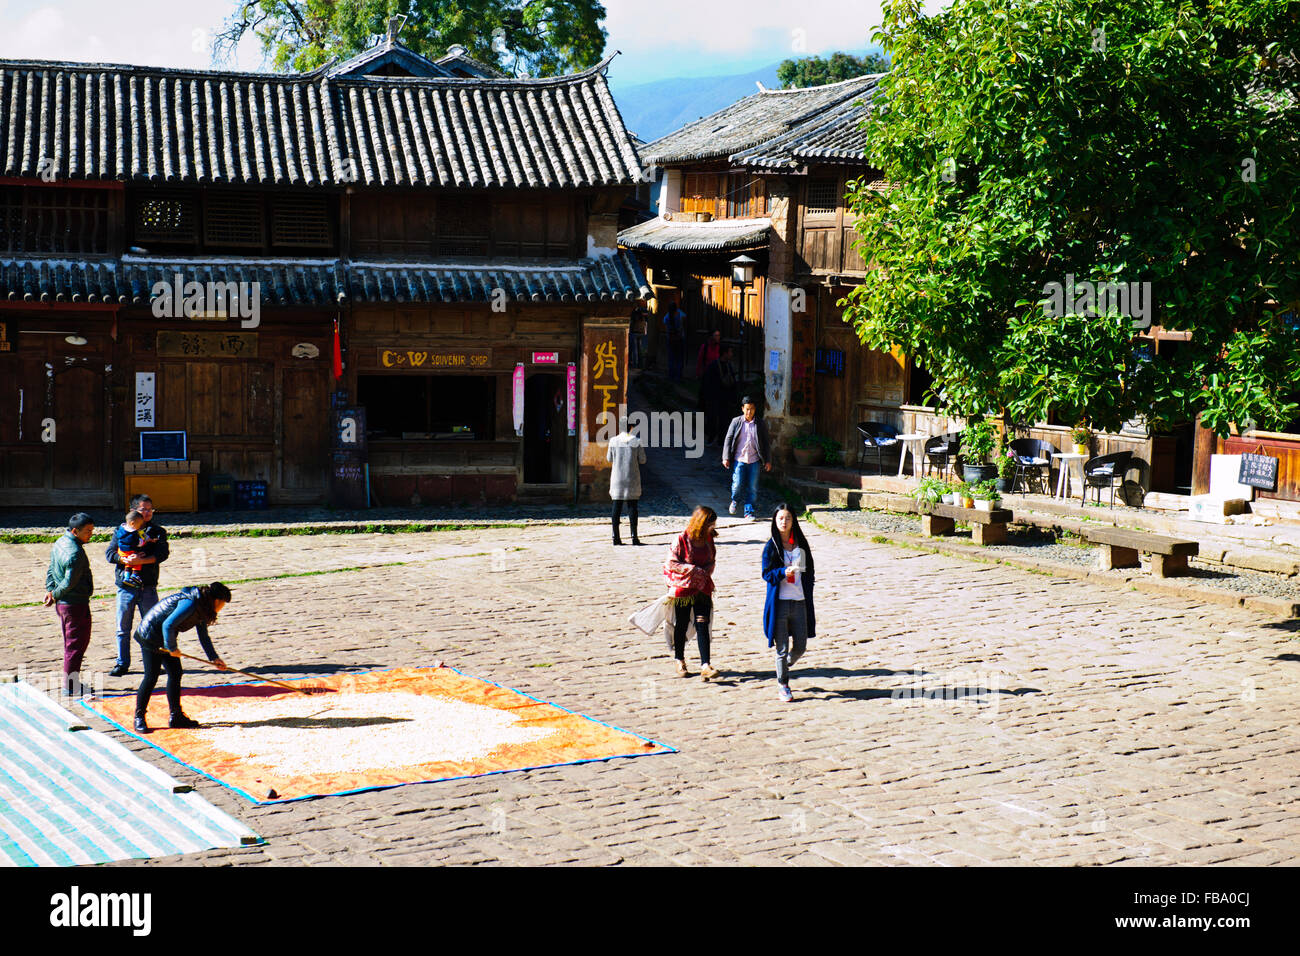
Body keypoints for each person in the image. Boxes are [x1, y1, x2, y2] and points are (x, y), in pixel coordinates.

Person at [132, 582, 230, 733]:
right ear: (217, 600)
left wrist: (214, 658)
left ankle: (176, 716)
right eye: (223, 603)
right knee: (151, 677)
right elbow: (167, 625)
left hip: (166, 638)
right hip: (150, 636)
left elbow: (203, 636)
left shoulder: (203, 606)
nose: (222, 607)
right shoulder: (190, 603)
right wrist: (172, 648)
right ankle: (139, 717)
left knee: (175, 673)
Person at [105, 493, 169, 677]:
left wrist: (143, 560)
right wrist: (125, 559)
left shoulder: (157, 532)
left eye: (150, 510)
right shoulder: (121, 530)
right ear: (133, 511)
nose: (148, 513)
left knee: (151, 626)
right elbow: (110, 554)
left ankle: (153, 663)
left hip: (148, 586)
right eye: (143, 509)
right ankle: (122, 663)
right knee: (122, 628)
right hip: (125, 586)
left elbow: (162, 554)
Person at [761, 505, 817, 703]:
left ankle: (784, 664)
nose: (784, 522)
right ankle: (783, 684)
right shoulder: (771, 547)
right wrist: (782, 573)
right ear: (775, 522)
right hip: (780, 604)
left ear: (793, 521)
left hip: (800, 602)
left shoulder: (801, 544)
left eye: (788, 518)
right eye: (780, 519)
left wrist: (808, 586)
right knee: (781, 647)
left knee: (800, 645)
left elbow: (810, 569)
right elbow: (766, 574)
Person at [663, 506, 719, 680]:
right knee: (682, 622)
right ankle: (679, 659)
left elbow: (711, 561)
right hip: (684, 588)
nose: (712, 529)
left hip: (702, 587)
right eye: (709, 525)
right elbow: (671, 563)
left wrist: (705, 573)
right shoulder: (681, 539)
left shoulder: (709, 539)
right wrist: (693, 570)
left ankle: (705, 665)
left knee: (702, 622)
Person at [43, 513, 95, 697]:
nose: (91, 535)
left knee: (71, 644)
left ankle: (72, 682)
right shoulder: (75, 553)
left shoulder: (59, 543)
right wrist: (54, 594)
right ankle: (70, 686)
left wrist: (50, 589)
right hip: (74, 603)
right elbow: (68, 582)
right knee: (76, 645)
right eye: (87, 531)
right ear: (75, 531)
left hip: (66, 604)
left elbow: (51, 568)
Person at [722, 396, 772, 519]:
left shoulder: (760, 423)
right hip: (739, 459)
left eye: (752, 409)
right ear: (743, 409)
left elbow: (766, 443)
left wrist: (768, 460)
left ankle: (749, 512)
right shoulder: (736, 421)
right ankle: (735, 500)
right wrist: (726, 457)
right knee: (737, 484)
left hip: (754, 460)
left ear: (755, 410)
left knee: (752, 487)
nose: (749, 412)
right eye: (747, 409)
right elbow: (728, 439)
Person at [606, 424, 646, 546]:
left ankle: (615, 537)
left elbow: (609, 458)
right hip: (632, 478)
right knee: (632, 506)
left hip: (617, 478)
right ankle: (634, 537)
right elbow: (643, 460)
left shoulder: (613, 440)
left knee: (616, 507)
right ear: (631, 427)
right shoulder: (637, 441)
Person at [699, 344, 737, 444]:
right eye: (730, 352)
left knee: (723, 419)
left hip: (724, 397)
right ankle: (713, 436)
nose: (731, 354)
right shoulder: (714, 366)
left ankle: (720, 439)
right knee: (713, 418)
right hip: (715, 397)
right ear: (725, 353)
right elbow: (707, 382)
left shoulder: (728, 366)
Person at [662, 298, 686, 381]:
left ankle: (671, 375)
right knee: (679, 358)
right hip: (680, 339)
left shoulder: (667, 316)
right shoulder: (680, 314)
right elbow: (684, 318)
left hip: (671, 339)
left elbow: (665, 324)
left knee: (671, 358)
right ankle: (678, 376)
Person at [629, 303, 649, 370]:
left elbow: (631, 325)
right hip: (641, 334)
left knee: (635, 350)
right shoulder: (642, 317)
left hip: (634, 334)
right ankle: (640, 364)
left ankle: (635, 364)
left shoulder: (634, 316)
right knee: (640, 349)